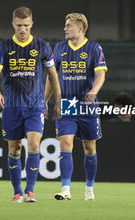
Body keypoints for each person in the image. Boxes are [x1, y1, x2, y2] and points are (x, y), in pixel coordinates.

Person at [0, 6, 61, 203]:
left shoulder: (42, 46)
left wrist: (57, 100)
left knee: (33, 144)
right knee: (14, 149)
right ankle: (16, 191)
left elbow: (53, 75)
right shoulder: (4, 47)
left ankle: (30, 191)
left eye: (26, 25)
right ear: (13, 24)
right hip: (12, 106)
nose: (22, 29)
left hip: (35, 106)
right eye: (19, 25)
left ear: (32, 24)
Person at [45, 13, 107, 201]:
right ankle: (65, 189)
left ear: (80, 28)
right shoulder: (60, 47)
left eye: (68, 25)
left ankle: (89, 188)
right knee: (65, 143)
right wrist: (44, 100)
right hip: (67, 103)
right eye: (65, 25)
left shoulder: (94, 48)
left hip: (87, 104)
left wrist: (94, 90)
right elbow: (52, 76)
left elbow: (101, 74)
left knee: (89, 147)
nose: (64, 28)